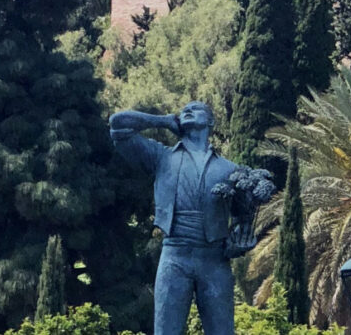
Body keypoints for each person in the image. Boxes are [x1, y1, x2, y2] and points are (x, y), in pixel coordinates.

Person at [109, 102, 254, 335]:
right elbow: (117, 124)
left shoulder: (229, 169)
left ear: (211, 122)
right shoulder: (162, 157)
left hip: (214, 259)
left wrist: (242, 239)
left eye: (195, 109)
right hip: (174, 256)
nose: (187, 110)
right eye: (184, 109)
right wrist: (163, 121)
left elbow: (243, 218)